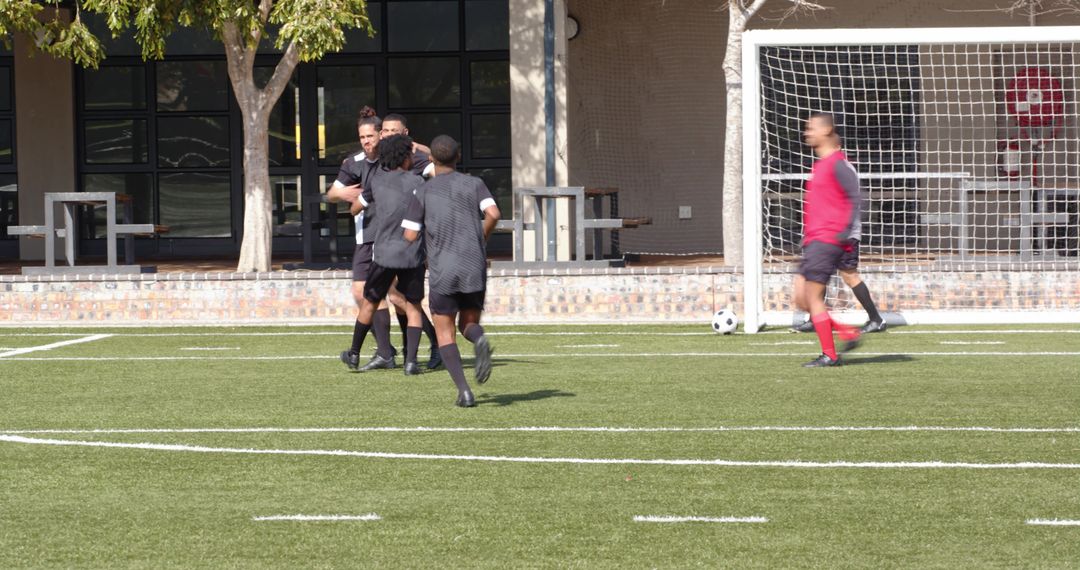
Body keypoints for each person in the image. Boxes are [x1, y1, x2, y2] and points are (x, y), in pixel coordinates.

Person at [403, 135, 500, 407]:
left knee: (444, 332)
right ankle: (479, 339)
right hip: (473, 264)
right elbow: (493, 213)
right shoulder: (475, 184)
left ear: (431, 159)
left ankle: (464, 392)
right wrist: (481, 235)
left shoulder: (423, 191)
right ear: (458, 157)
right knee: (469, 324)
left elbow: (410, 234)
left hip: (442, 268)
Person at [346, 134, 428, 376]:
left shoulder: (377, 182)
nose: (413, 157)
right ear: (403, 157)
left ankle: (354, 353)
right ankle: (411, 362)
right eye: (410, 154)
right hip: (412, 254)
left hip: (383, 254)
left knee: (370, 302)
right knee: (413, 306)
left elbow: (355, 208)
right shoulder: (418, 183)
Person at [327, 107, 398, 372]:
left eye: (370, 135)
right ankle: (385, 350)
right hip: (366, 235)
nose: (366, 141)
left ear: (381, 134)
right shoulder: (353, 162)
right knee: (362, 293)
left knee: (400, 298)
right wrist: (342, 194)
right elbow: (332, 193)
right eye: (362, 137)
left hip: (393, 234)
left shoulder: (394, 158)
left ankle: (435, 346)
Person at [794, 113, 863, 368]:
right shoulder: (819, 166)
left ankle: (830, 355)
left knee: (813, 299)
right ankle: (847, 332)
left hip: (827, 240)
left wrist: (843, 232)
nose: (806, 132)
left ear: (826, 131)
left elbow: (855, 198)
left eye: (810, 128)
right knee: (801, 299)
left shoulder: (837, 163)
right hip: (814, 241)